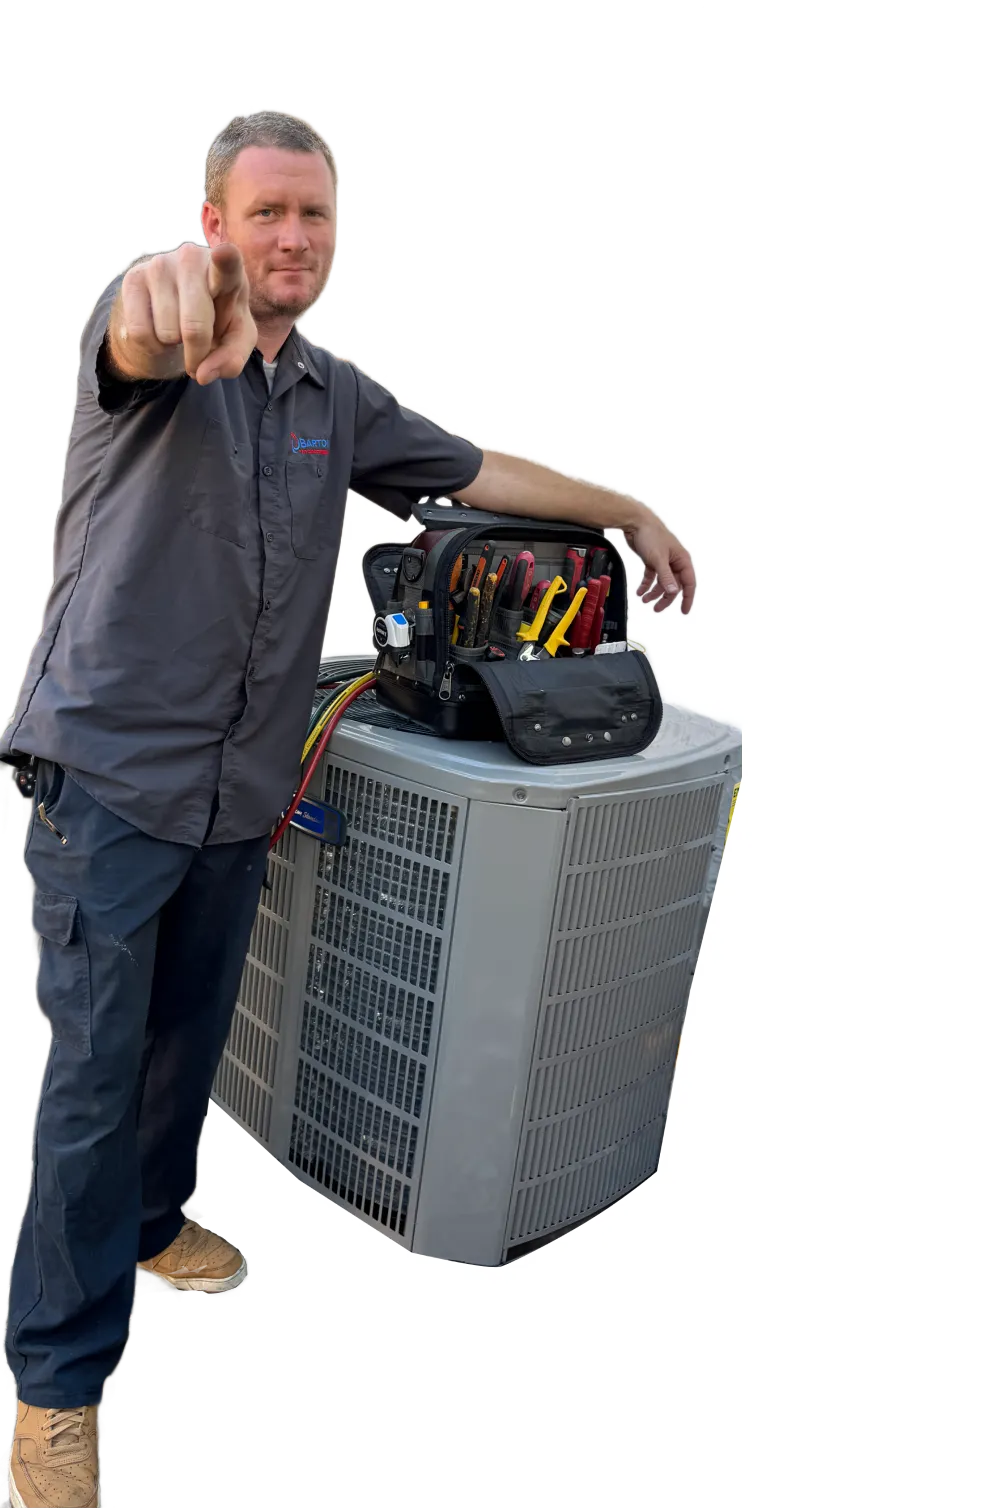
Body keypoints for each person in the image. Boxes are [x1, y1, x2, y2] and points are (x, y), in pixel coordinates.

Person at [0, 108, 696, 1509]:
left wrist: (623, 504)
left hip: (235, 791)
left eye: (312, 217)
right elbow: (139, 325)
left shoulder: (336, 403)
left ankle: (148, 1225)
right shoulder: (148, 341)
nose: (291, 238)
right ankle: (52, 1396)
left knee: (183, 1042)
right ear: (214, 226)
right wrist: (163, 303)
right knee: (89, 1085)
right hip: (107, 784)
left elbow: (475, 471)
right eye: (264, 214)